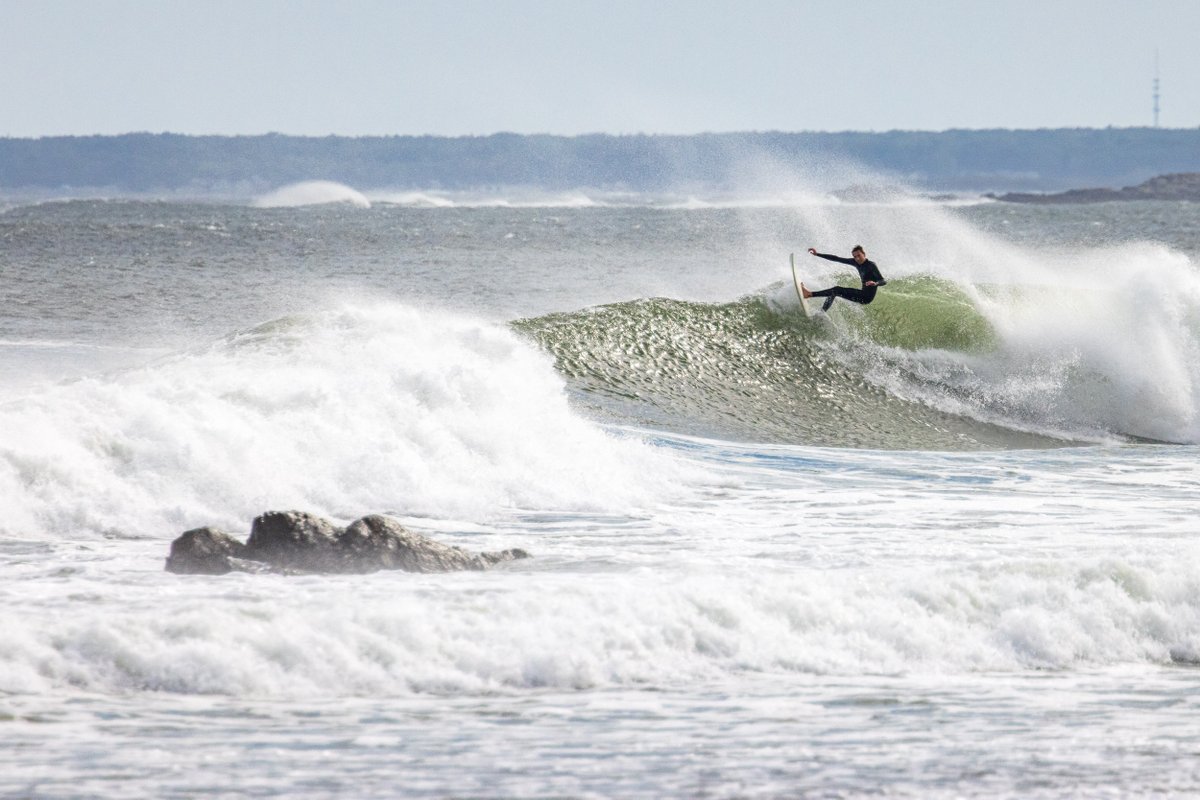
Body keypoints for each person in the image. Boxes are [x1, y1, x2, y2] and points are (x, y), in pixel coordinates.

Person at [801, 245, 886, 312]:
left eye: (859, 255)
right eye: (855, 256)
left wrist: (875, 283)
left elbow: (883, 281)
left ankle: (809, 294)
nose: (857, 258)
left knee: (836, 290)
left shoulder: (871, 265)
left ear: (864, 254)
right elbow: (836, 258)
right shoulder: (855, 262)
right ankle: (822, 312)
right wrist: (817, 254)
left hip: (866, 297)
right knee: (834, 292)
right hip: (861, 294)